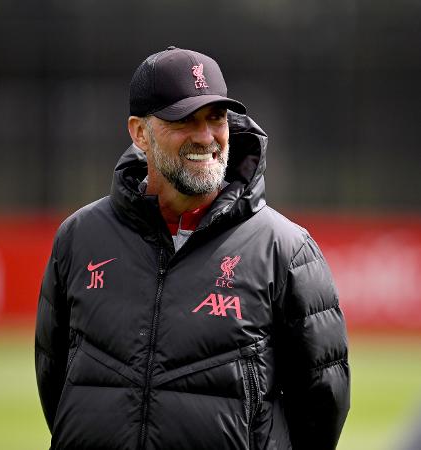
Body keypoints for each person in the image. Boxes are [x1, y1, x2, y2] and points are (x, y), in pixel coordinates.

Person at [35, 46, 350, 450]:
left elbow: (322, 408)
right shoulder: (77, 239)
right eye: (185, 120)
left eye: (216, 118)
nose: (206, 137)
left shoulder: (286, 249)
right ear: (139, 133)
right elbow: (55, 382)